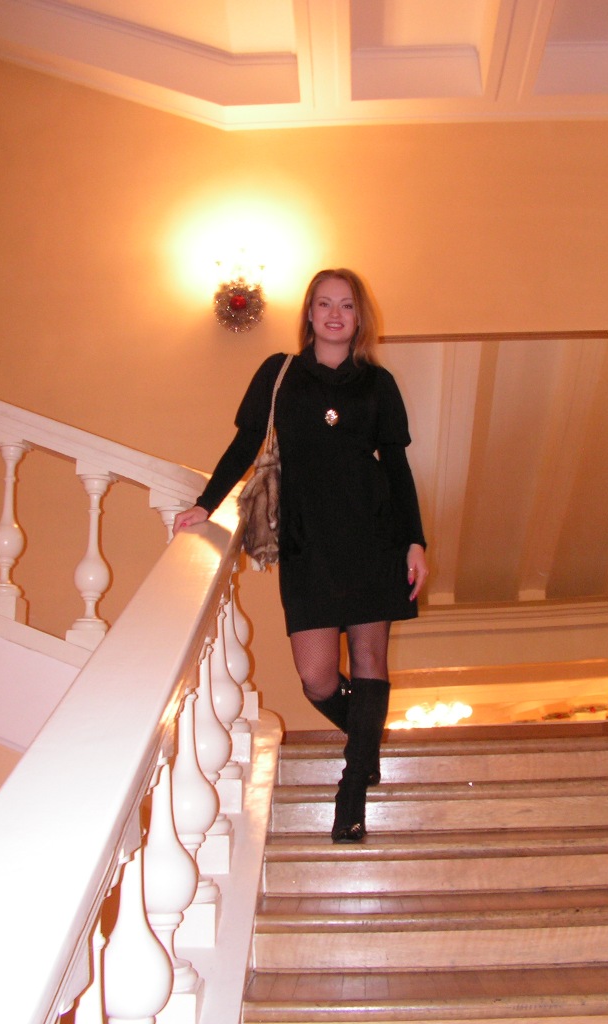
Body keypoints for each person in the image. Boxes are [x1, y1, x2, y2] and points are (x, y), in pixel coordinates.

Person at [174, 268, 428, 843]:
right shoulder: (279, 372)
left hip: (373, 537)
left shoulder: (378, 383)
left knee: (369, 660)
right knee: (316, 677)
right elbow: (245, 443)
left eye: (346, 305)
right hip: (307, 540)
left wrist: (415, 541)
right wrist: (206, 503)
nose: (335, 314)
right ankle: (366, 742)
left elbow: (398, 467)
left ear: (360, 317)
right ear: (309, 314)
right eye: (324, 304)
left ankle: (352, 792)